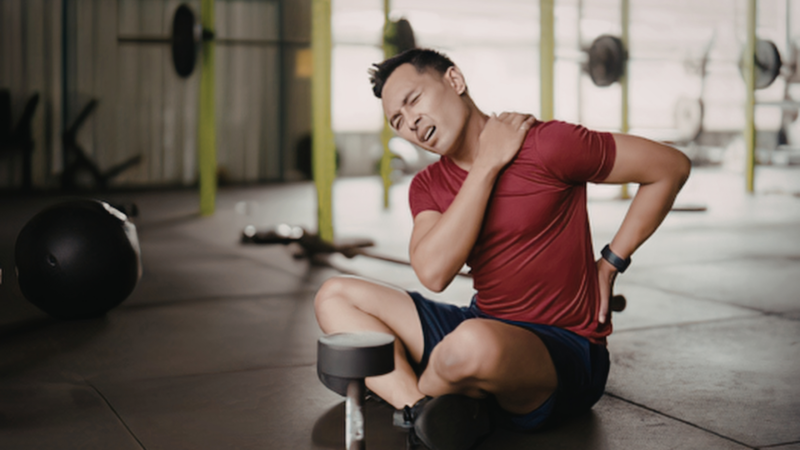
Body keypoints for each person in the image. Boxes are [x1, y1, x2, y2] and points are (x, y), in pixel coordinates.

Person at [314, 48, 690, 450]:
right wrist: (487, 164)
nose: (411, 122)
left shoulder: (547, 145)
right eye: (398, 121)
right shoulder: (427, 185)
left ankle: (427, 396)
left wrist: (610, 263)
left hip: (562, 350)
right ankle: (422, 410)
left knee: (470, 344)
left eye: (413, 100)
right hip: (482, 323)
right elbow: (434, 273)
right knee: (334, 295)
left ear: (454, 81)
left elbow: (670, 167)